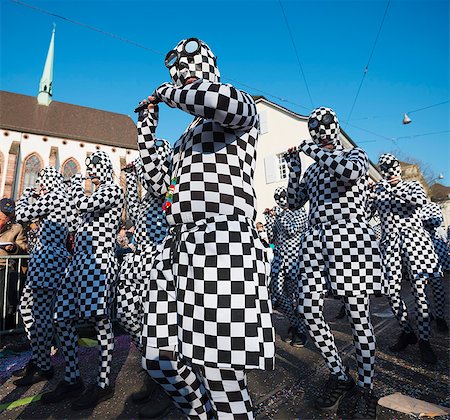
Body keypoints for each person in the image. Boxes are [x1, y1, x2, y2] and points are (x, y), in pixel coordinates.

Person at [137, 37, 275, 419]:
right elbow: (157, 185)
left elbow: (215, 99)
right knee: (159, 358)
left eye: (183, 64)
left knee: (219, 371)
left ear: (207, 64)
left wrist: (168, 92)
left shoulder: (239, 109)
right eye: (170, 70)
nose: (176, 73)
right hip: (177, 246)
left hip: (223, 242)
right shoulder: (185, 139)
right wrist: (146, 130)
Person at [286, 107, 383, 419]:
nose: (319, 133)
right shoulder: (314, 168)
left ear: (335, 128)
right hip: (316, 241)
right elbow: (292, 201)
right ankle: (340, 375)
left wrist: (311, 150)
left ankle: (367, 389)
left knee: (358, 316)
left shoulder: (355, 154)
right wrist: (294, 168)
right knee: (306, 308)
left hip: (350, 239)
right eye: (314, 129)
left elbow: (350, 173)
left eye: (324, 128)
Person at [41, 151, 124, 410]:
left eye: (94, 167)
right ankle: (72, 378)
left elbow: (83, 205)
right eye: (90, 168)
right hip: (78, 263)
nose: (91, 172)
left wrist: (76, 185)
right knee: (61, 317)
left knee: (99, 320)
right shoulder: (94, 194)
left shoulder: (112, 190)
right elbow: (77, 218)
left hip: (98, 263)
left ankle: (103, 383)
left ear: (105, 168)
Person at [368, 153, 441, 364]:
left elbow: (419, 201)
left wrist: (391, 190)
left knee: (420, 292)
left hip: (414, 241)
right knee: (390, 290)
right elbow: (364, 213)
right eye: (384, 168)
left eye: (392, 167)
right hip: (390, 243)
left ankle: (424, 341)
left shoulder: (411, 186)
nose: (388, 172)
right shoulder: (379, 190)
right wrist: (366, 195)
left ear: (398, 168)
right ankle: (407, 331)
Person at [115, 157, 170, 411]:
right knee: (126, 316)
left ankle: (170, 386)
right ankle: (152, 367)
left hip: (160, 264)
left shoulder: (168, 189)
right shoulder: (146, 196)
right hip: (137, 262)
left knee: (162, 328)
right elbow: (131, 215)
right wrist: (131, 179)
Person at [13, 167, 74, 386]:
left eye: (41, 182)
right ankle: (39, 358)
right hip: (51, 258)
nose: (40, 186)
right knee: (29, 308)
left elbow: (21, 215)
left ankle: (43, 364)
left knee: (40, 313)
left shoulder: (54, 197)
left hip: (47, 259)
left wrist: (27, 193)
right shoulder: (64, 198)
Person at [269, 186, 309, 347]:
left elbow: (292, 231)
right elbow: (272, 237)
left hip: (295, 260)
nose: (280, 201)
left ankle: (300, 331)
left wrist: (280, 215)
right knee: (277, 293)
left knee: (296, 298)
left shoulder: (300, 211)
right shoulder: (280, 215)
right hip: (279, 259)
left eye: (283, 197)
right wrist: (271, 219)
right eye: (277, 198)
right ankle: (295, 323)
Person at [419, 200, 449, 332]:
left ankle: (440, 317)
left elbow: (437, 221)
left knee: (436, 284)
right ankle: (427, 314)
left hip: (432, 246)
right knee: (419, 287)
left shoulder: (431, 206)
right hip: (414, 248)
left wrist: (415, 223)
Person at [0, 198, 27, 330]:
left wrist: (14, 248)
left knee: (5, 302)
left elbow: (23, 247)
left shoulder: (16, 228)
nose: (5, 216)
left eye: (8, 214)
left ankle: (5, 329)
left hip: (5, 266)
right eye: (3, 213)